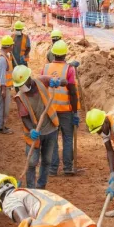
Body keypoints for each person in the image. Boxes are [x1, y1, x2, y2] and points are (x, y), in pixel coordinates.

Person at [12, 65, 63, 189]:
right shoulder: (20, 97)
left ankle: (41, 187)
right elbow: (24, 117)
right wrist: (31, 129)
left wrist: (57, 82)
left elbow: (65, 81)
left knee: (47, 160)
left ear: (29, 78)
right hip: (34, 134)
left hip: (51, 129)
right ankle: (31, 188)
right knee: (32, 162)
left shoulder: (41, 81)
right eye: (19, 84)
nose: (21, 86)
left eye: (23, 83)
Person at [43, 41, 80, 176]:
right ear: (65, 54)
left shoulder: (45, 68)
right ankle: (67, 168)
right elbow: (72, 92)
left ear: (53, 53)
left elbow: (42, 88)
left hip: (50, 110)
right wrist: (75, 112)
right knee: (68, 138)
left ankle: (53, 169)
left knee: (52, 138)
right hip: (66, 110)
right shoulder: (69, 70)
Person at [0, 35, 14, 135]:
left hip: (3, 87)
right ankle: (1, 128)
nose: (12, 47)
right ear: (8, 46)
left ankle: (1, 126)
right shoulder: (2, 59)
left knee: (2, 107)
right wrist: (3, 89)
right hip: (2, 87)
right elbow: (1, 75)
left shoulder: (4, 56)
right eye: (12, 46)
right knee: (3, 108)